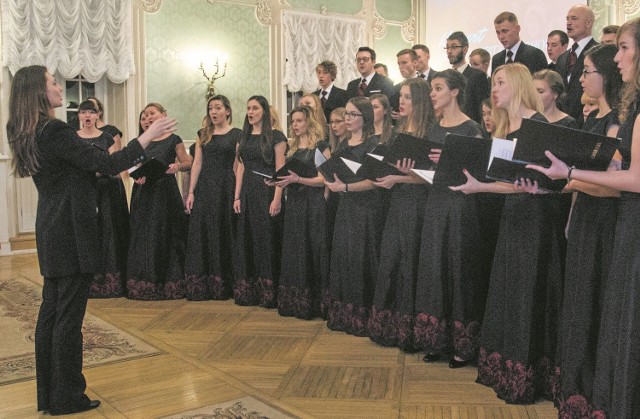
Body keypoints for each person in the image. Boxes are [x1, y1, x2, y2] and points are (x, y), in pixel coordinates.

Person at [6, 65, 175, 415]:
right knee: (67, 318)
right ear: (40, 90)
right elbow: (109, 164)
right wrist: (147, 137)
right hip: (71, 230)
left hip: (52, 226)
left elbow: (90, 166)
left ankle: (51, 395)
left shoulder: (25, 129)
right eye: (53, 82)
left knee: (52, 314)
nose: (58, 86)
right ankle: (67, 397)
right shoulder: (54, 129)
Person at [528, 20, 640, 417]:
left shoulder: (621, 121)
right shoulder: (609, 120)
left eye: (625, 48)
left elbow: (625, 181)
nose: (620, 56)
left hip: (616, 224)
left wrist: (568, 176)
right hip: (602, 222)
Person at [451, 63, 565, 404]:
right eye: (492, 83)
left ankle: (528, 373)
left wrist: (482, 188)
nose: (493, 90)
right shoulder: (505, 127)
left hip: (537, 219)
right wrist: (479, 185)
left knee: (528, 290)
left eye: (500, 82)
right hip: (514, 216)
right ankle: (506, 366)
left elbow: (542, 183)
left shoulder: (537, 125)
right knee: (509, 287)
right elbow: (510, 183)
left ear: (517, 83)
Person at [552, 43, 622, 418]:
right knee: (578, 302)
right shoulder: (594, 123)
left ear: (606, 75)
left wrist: (569, 180)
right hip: (584, 220)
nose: (580, 78)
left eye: (587, 71)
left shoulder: (615, 126)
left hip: (603, 225)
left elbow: (612, 186)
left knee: (592, 304)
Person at [413, 70, 486, 367]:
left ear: (455, 92)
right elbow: (429, 170)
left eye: (438, 88)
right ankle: (437, 339)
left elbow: (478, 173)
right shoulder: (434, 127)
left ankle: (462, 346)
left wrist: (446, 163)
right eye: (432, 88)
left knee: (458, 268)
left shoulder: (472, 130)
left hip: (460, 204)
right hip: (436, 202)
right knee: (434, 268)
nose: (433, 94)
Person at [368, 77, 433, 349]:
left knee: (410, 260)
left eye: (407, 97)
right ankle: (389, 326)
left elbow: (433, 178)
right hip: (397, 201)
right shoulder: (396, 132)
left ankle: (411, 331)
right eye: (401, 97)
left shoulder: (431, 132)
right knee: (391, 258)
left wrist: (401, 178)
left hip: (419, 204)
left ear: (419, 101)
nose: (401, 102)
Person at [324, 97, 383, 336]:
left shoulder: (374, 144)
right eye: (346, 114)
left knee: (363, 258)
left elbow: (375, 182)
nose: (347, 119)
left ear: (365, 117)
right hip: (346, 207)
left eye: (352, 115)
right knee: (344, 256)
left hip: (367, 209)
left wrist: (346, 187)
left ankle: (364, 318)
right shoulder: (342, 145)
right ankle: (345, 315)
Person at [127, 102, 192, 300]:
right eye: (145, 115)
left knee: (166, 233)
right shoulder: (141, 141)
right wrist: (136, 175)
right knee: (144, 234)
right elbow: (132, 165)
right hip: (144, 191)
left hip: (165, 192)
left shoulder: (174, 139)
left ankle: (167, 282)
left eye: (152, 113)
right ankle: (146, 282)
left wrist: (177, 166)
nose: (148, 117)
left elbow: (188, 163)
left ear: (163, 115)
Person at [274, 106, 331, 319]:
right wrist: (276, 181)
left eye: (299, 121)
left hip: (313, 203)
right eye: (293, 121)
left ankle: (316, 305)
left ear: (309, 122)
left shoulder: (320, 147)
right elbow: (287, 177)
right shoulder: (292, 149)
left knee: (313, 248)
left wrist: (298, 180)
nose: (295, 125)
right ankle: (297, 303)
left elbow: (324, 179)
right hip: (296, 204)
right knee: (297, 250)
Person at [184, 95, 242, 300]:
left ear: (227, 111)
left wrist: (237, 194)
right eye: (211, 108)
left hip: (226, 186)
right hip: (205, 187)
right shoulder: (203, 134)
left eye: (218, 107)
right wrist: (191, 192)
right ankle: (204, 283)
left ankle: (223, 284)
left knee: (223, 230)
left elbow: (238, 165)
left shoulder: (237, 134)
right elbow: (197, 164)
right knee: (203, 231)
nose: (214, 112)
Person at [233, 95, 287, 307]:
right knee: (247, 239)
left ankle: (268, 293)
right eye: (248, 108)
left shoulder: (276, 136)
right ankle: (250, 291)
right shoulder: (244, 137)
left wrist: (277, 199)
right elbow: (241, 167)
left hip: (267, 192)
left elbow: (280, 170)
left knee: (266, 241)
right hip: (247, 192)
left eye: (255, 108)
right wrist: (236, 196)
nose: (250, 112)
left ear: (264, 111)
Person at [75, 100, 130, 298]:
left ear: (98, 115)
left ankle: (110, 281)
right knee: (88, 233)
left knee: (108, 232)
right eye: (84, 112)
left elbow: (114, 164)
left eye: (91, 112)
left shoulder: (107, 137)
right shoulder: (74, 138)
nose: (87, 116)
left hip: (106, 190)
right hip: (84, 191)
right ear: (79, 116)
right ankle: (86, 281)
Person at [556, 4, 598, 123]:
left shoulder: (598, 52)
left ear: (589, 23)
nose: (568, 23)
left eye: (574, 18)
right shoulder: (562, 58)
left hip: (587, 122)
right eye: (567, 19)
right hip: (562, 125)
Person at [445, 31, 490, 124]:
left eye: (453, 47)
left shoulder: (477, 76)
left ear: (465, 49)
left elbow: (482, 110)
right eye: (447, 47)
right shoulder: (445, 77)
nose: (449, 51)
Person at [389, 49, 419, 113]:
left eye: (404, 63)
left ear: (415, 63)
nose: (400, 67)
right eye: (399, 64)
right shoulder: (395, 89)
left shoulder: (424, 85)